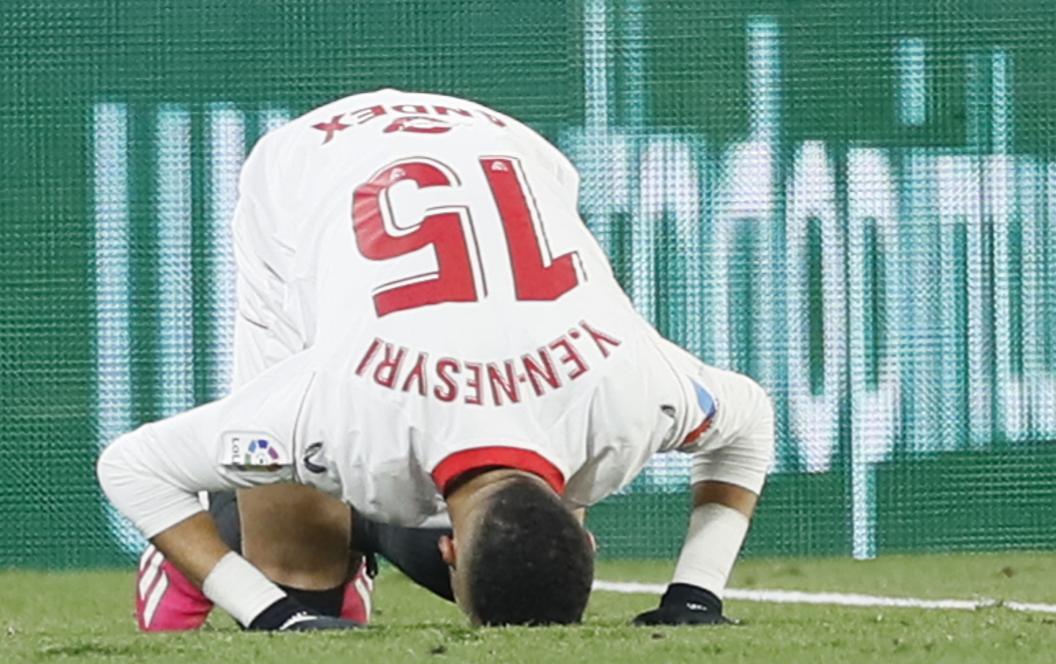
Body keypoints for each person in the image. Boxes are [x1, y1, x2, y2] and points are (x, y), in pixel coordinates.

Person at [100, 88, 774, 630]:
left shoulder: (627, 392)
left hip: (513, 148)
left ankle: (351, 533)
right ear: (445, 548)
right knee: (301, 569)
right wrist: (272, 610)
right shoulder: (336, 405)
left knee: (528, 566)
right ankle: (215, 543)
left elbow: (748, 421)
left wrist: (695, 596)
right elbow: (133, 467)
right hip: (316, 166)